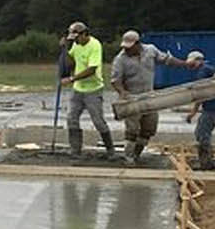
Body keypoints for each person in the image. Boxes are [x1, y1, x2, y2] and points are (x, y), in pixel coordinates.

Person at [109, 30, 202, 164]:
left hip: (149, 96)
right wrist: (123, 93)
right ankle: (128, 157)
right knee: (132, 129)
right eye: (125, 47)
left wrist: (185, 64)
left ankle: (137, 154)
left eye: (129, 47)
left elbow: (167, 60)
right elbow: (115, 81)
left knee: (149, 128)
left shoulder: (150, 50)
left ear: (137, 43)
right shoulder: (120, 59)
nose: (127, 50)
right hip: (132, 98)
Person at [57, 21, 115, 161]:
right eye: (73, 39)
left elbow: (91, 69)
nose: (75, 41)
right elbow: (71, 63)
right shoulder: (76, 45)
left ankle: (110, 150)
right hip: (78, 90)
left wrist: (71, 79)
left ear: (85, 34)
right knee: (71, 118)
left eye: (77, 38)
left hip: (93, 89)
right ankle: (75, 151)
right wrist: (65, 49)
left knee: (98, 121)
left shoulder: (95, 45)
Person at [184, 53, 215, 169]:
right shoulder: (212, 69)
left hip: (211, 109)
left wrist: (193, 112)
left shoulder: (203, 72)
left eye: (192, 63)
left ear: (198, 60)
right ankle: (208, 160)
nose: (190, 66)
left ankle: (206, 163)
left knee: (201, 134)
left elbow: (201, 94)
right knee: (204, 134)